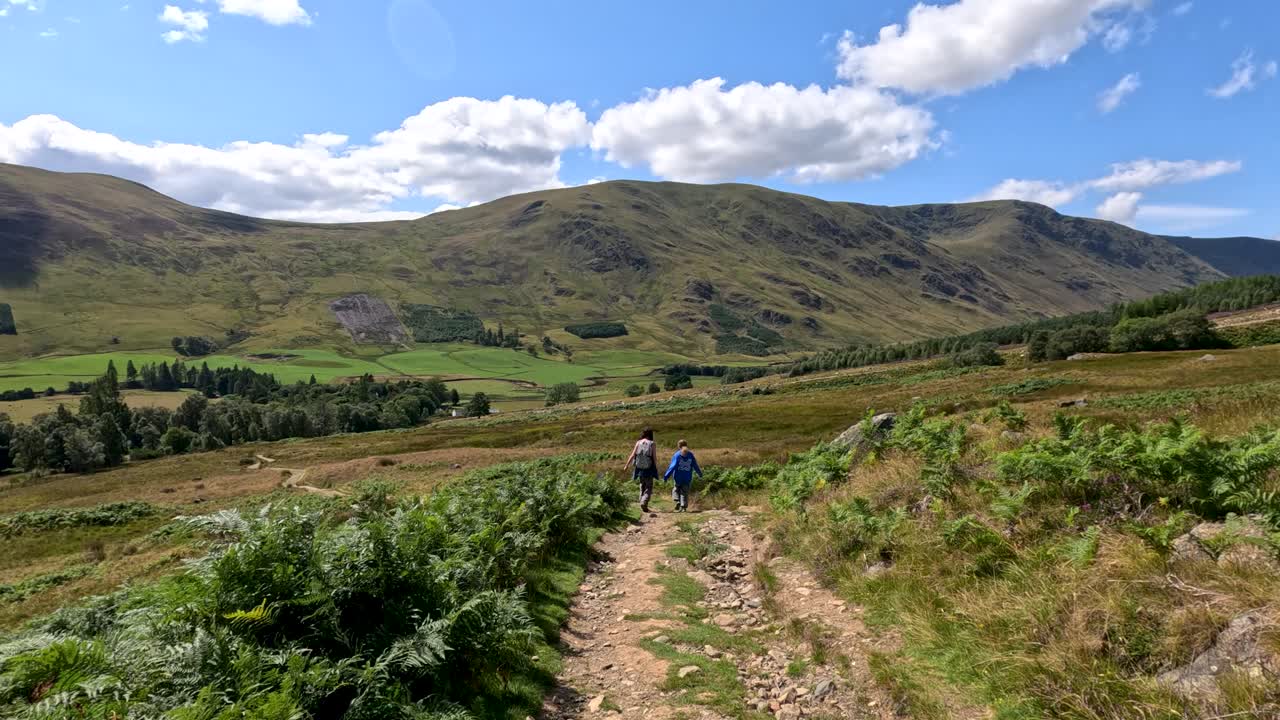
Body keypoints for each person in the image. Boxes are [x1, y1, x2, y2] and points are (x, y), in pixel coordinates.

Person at [623, 427, 659, 514]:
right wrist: (656, 467)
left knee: (642, 484)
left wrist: (626, 465)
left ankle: (642, 502)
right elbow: (654, 457)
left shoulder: (638, 442)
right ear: (650, 434)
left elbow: (632, 454)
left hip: (639, 468)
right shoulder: (652, 443)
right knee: (649, 486)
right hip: (649, 468)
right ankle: (644, 501)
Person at [663, 440, 703, 513]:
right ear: (686, 445)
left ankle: (677, 500)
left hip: (678, 477)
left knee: (675, 490)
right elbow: (695, 465)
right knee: (684, 493)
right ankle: (683, 507)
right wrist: (700, 474)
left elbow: (672, 467)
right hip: (687, 477)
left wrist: (666, 476)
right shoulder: (690, 455)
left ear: (679, 446)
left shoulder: (677, 455)